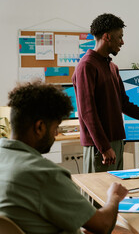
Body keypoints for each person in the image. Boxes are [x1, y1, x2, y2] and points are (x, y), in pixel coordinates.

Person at [0, 82, 130, 234]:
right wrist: (114, 196)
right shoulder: (45, 174)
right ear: (40, 127)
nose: (56, 134)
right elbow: (103, 225)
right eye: (56, 128)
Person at [72, 13, 139, 173]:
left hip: (116, 142)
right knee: (98, 196)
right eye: (119, 37)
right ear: (107, 37)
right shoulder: (87, 66)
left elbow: (124, 105)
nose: (122, 42)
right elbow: (87, 112)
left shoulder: (112, 67)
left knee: (115, 194)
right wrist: (104, 147)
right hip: (100, 146)